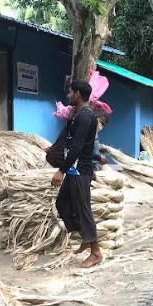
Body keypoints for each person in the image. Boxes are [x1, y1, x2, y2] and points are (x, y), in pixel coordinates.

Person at [52, 80, 103, 268]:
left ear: (79, 94)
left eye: (70, 93)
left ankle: (96, 252)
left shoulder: (85, 117)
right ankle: (85, 237)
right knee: (62, 203)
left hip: (79, 171)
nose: (68, 96)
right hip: (75, 169)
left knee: (84, 210)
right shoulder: (79, 115)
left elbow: (78, 146)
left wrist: (60, 171)